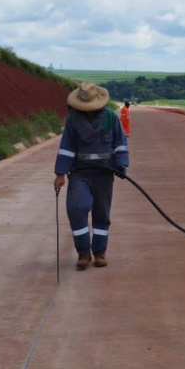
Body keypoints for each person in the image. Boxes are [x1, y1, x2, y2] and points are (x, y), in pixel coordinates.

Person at [54, 82, 129, 270]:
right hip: (80, 173)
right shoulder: (73, 120)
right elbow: (67, 147)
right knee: (77, 208)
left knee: (101, 214)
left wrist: (121, 164)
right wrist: (60, 173)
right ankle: (83, 253)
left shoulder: (111, 118)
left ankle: (100, 253)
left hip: (104, 173)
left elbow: (120, 143)